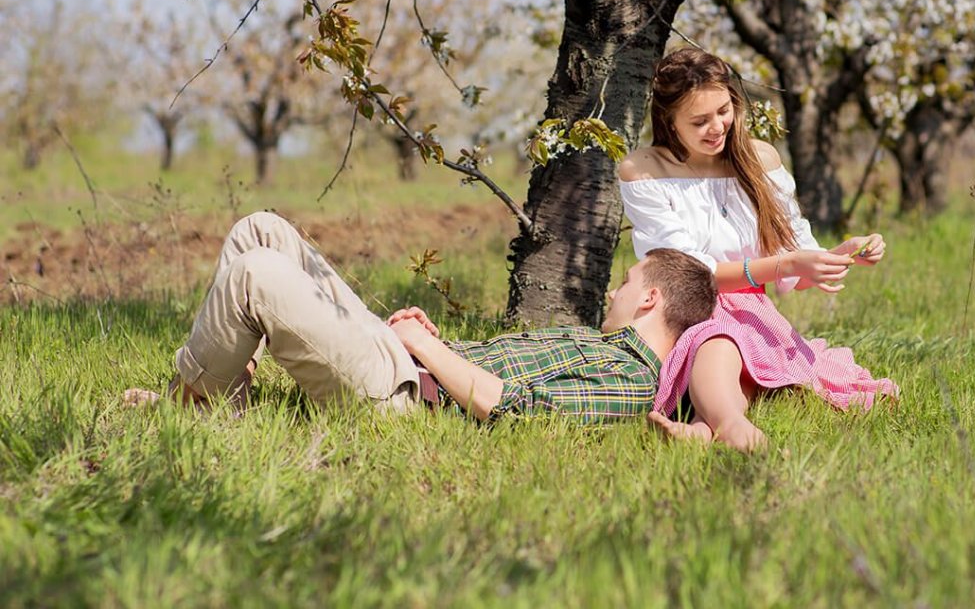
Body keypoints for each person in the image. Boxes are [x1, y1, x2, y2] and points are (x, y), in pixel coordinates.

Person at [124, 211, 717, 424]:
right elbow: (494, 371)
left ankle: (195, 404)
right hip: (408, 360)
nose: (614, 290)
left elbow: (515, 409)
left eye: (627, 282)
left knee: (254, 270)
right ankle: (221, 395)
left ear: (649, 301)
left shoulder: (632, 382)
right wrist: (432, 339)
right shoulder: (599, 345)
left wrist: (424, 351)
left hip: (403, 392)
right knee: (262, 230)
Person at [618, 47, 898, 452]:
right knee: (717, 336)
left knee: (736, 349)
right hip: (685, 304)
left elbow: (798, 262)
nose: (717, 127)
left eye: (723, 111)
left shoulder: (759, 159)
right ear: (669, 121)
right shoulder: (645, 170)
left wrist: (843, 253)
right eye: (699, 121)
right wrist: (785, 264)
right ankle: (730, 426)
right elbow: (690, 271)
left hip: (749, 307)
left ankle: (705, 428)